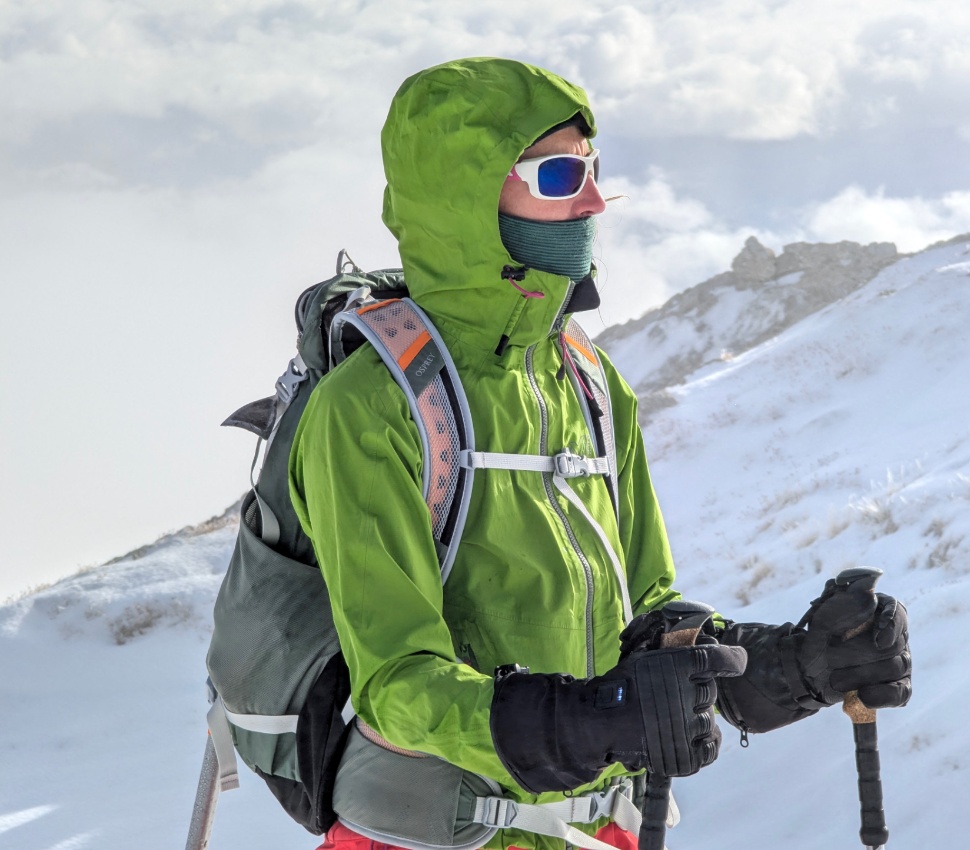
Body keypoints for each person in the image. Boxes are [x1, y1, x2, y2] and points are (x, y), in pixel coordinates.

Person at [289, 57, 911, 850]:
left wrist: (797, 663)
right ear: (465, 198)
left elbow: (647, 614)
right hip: (425, 837)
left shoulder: (584, 380)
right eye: (555, 175)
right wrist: (595, 720)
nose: (591, 200)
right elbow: (399, 687)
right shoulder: (371, 408)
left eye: (590, 170)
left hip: (599, 834)